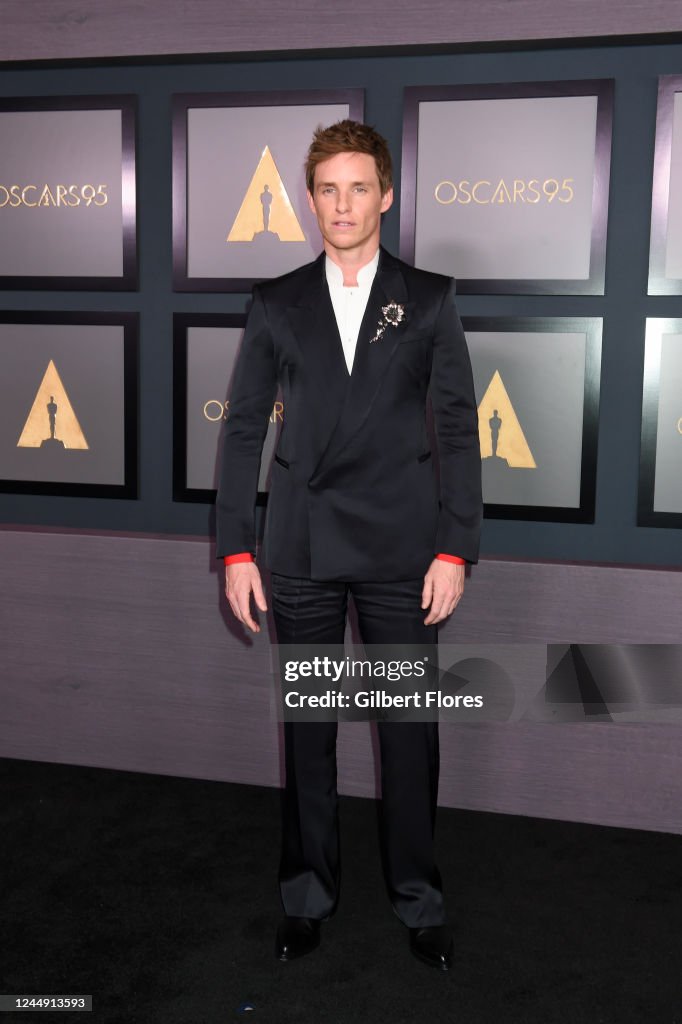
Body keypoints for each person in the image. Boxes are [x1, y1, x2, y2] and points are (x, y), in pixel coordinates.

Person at [215, 120, 482, 971]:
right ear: (310, 198)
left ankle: (418, 897)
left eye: (359, 187)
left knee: (409, 729)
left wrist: (454, 549)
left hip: (405, 554)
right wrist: (235, 551)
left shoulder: (430, 297)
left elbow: (457, 431)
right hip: (299, 549)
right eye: (328, 188)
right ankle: (306, 895)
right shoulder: (274, 301)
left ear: (387, 194)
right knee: (310, 731)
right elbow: (243, 431)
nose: (343, 204)